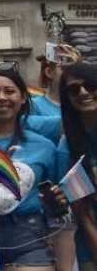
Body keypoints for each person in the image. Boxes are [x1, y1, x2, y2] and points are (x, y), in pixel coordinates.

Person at [0, 65, 64, 271]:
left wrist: (56, 201)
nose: (1, 97)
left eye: (9, 91)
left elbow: (58, 201)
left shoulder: (45, 147)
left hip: (29, 237)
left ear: (23, 97)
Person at [57, 61, 97, 268]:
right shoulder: (67, 149)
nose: (83, 92)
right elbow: (83, 215)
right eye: (73, 90)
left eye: (90, 85)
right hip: (91, 249)